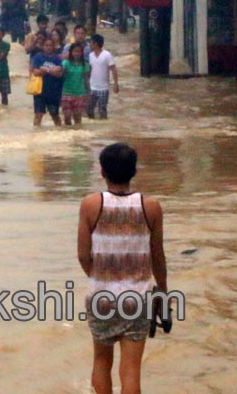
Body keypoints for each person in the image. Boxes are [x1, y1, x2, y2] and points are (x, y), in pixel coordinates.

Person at [77, 143, 166, 394]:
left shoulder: (90, 205)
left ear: (102, 171)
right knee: (131, 370)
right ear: (134, 171)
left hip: (101, 296)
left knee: (101, 362)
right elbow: (158, 257)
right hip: (138, 296)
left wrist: (100, 279)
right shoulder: (152, 207)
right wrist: (163, 292)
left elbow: (83, 255)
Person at [30, 37, 64, 127]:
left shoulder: (57, 58)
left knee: (55, 114)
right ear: (42, 46)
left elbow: (59, 73)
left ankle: (60, 132)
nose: (49, 47)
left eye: (51, 45)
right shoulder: (38, 57)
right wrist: (51, 70)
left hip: (54, 91)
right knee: (38, 114)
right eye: (46, 45)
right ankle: (35, 134)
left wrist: (45, 70)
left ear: (54, 47)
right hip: (40, 91)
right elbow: (35, 72)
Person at [87, 34, 119, 119]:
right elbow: (90, 70)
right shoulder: (90, 55)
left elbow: (113, 69)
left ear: (95, 44)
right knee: (89, 110)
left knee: (102, 110)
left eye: (91, 42)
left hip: (103, 88)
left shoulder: (107, 55)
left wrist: (116, 84)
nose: (89, 44)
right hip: (92, 87)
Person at [61, 43, 90, 126]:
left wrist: (88, 94)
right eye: (75, 51)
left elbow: (86, 80)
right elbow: (61, 78)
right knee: (67, 117)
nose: (77, 53)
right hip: (66, 93)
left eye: (79, 52)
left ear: (82, 53)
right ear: (71, 52)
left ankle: (78, 135)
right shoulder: (65, 64)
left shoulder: (85, 65)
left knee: (78, 118)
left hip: (80, 94)